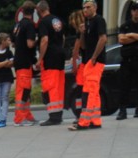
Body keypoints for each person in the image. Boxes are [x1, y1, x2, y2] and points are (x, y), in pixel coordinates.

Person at [70, 0, 107, 131]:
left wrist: (94, 57)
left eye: (88, 7)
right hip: (88, 61)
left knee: (89, 91)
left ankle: (84, 122)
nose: (85, 10)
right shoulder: (86, 23)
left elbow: (103, 39)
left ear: (95, 8)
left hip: (95, 61)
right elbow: (84, 46)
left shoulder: (99, 20)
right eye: (84, 7)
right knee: (94, 92)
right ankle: (95, 120)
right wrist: (82, 33)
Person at [36, 1, 66, 126]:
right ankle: (58, 115)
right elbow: (63, 38)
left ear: (39, 11)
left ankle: (53, 117)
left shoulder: (43, 22)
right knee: (59, 86)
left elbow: (44, 40)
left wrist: (40, 58)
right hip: (60, 55)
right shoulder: (57, 20)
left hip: (50, 57)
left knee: (51, 86)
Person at [12, 1, 38, 126]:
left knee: (25, 89)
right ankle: (20, 118)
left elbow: (13, 43)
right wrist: (37, 41)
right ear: (33, 13)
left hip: (19, 60)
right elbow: (30, 44)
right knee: (23, 90)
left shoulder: (18, 25)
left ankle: (27, 115)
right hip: (25, 61)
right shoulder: (29, 25)